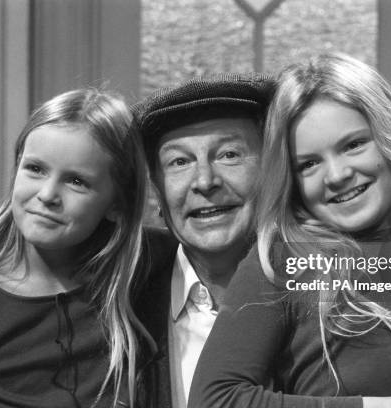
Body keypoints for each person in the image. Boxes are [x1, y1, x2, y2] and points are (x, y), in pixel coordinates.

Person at [188, 53, 391, 408]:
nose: (336, 175)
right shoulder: (282, 263)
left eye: (353, 145)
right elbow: (216, 399)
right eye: (309, 163)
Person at [0, 88, 147, 408]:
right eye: (35, 169)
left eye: (76, 181)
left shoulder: (139, 272)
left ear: (117, 204)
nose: (47, 194)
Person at [132, 73, 274, 408]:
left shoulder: (324, 286)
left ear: (272, 171)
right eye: (179, 161)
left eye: (229, 154)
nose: (205, 181)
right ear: (157, 191)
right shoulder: (123, 299)